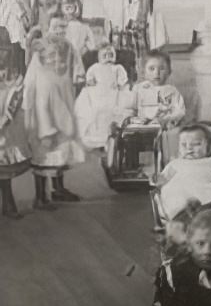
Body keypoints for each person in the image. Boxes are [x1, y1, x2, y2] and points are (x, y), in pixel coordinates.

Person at [22, 35, 85, 206]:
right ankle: (40, 196)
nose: (55, 59)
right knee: (42, 158)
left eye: (58, 55)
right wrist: (41, 129)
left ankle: (58, 189)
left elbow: (68, 93)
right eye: (50, 56)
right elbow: (29, 94)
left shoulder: (61, 70)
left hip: (62, 119)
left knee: (61, 155)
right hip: (44, 123)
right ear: (41, 56)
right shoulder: (38, 71)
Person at [74, 42, 132, 150]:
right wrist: (90, 81)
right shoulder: (95, 67)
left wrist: (119, 83)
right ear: (99, 57)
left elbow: (123, 78)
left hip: (112, 91)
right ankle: (96, 135)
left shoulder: (117, 68)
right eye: (104, 56)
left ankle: (112, 134)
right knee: (93, 107)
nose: (108, 59)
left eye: (111, 55)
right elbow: (89, 76)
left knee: (115, 107)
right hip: (98, 90)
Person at [0, 31, 30, 219]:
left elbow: (17, 93)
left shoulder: (13, 73)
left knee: (4, 159)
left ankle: (8, 202)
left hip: (6, 120)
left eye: (3, 50)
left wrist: (7, 117)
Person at [131, 51, 185, 126]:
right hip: (142, 129)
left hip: (165, 128)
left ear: (169, 72)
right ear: (144, 73)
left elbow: (180, 111)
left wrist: (167, 119)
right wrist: (132, 119)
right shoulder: (139, 89)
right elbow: (130, 109)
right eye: (152, 68)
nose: (157, 73)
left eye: (162, 68)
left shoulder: (172, 91)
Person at [0, 0, 31, 76]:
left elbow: (23, 6)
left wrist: (24, 15)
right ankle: (17, 70)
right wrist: (21, 15)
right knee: (16, 43)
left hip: (17, 23)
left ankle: (21, 69)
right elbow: (12, 6)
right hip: (10, 23)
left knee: (21, 43)